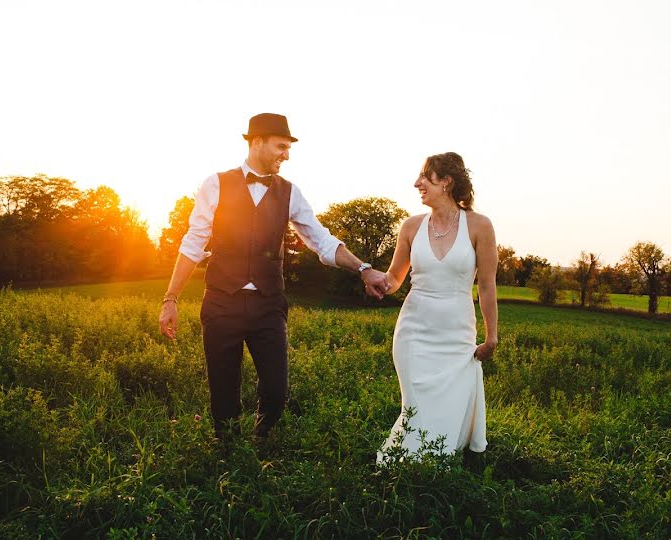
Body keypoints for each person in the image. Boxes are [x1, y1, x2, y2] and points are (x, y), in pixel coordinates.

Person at [159, 113, 389, 441]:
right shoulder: (216, 184)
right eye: (281, 146)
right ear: (256, 143)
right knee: (223, 392)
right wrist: (171, 298)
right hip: (221, 302)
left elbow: (320, 240)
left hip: (268, 306)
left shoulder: (290, 192)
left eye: (288, 147)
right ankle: (227, 459)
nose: (287, 154)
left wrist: (364, 269)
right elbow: (194, 243)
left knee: (277, 391)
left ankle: (261, 440)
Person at [376, 152, 497, 462]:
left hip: (456, 335)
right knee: (415, 407)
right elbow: (394, 279)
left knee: (447, 408)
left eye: (425, 177)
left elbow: (486, 285)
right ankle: (405, 469)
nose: (417, 183)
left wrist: (491, 335)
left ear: (446, 182)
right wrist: (376, 280)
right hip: (413, 333)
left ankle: (437, 468)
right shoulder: (411, 227)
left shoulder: (480, 226)